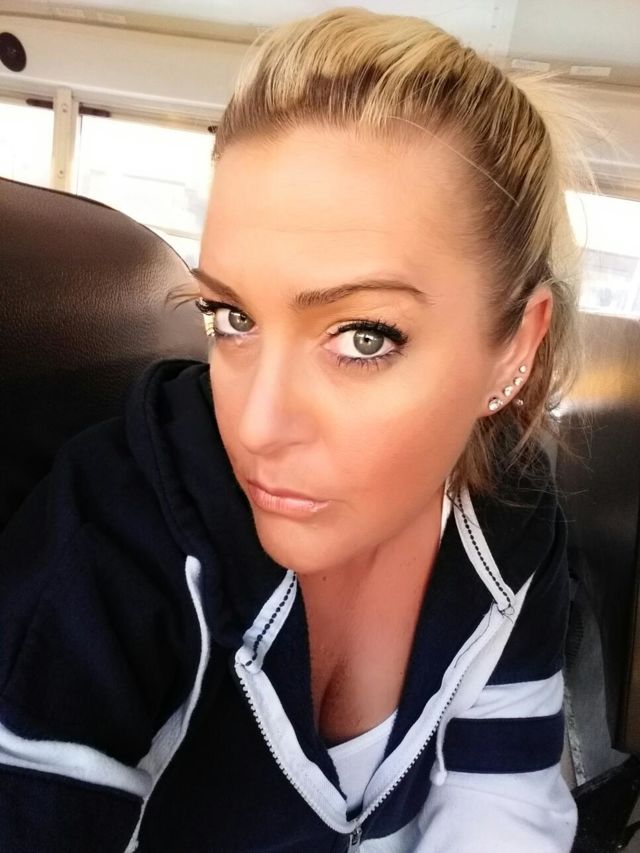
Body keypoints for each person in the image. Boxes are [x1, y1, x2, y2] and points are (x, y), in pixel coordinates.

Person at [0, 7, 590, 851]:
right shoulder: (107, 553)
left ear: (516, 350)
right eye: (232, 316)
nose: (257, 424)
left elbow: (502, 806)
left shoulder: (510, 520)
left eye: (364, 337)